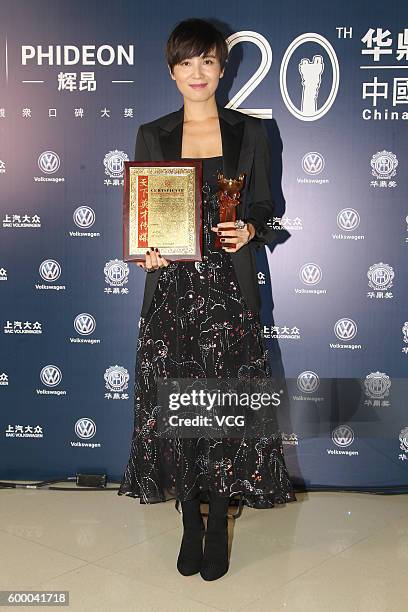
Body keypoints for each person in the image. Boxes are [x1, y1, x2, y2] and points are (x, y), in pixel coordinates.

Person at [118, 17, 297, 581]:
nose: (198, 73)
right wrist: (145, 249)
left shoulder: (250, 133)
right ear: (172, 71)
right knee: (176, 408)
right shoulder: (154, 133)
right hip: (172, 290)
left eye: (208, 61)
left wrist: (252, 231)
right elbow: (143, 212)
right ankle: (189, 524)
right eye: (187, 62)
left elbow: (266, 206)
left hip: (227, 290)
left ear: (223, 68)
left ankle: (217, 519)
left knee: (224, 406)